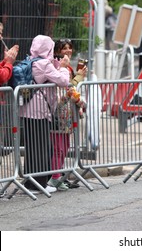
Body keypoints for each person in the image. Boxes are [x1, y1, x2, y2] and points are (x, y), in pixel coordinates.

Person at [20, 35, 70, 193]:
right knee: (42, 147)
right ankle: (39, 184)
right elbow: (63, 81)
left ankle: (30, 183)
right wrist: (63, 67)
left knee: (32, 148)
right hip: (40, 111)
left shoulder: (32, 60)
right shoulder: (43, 64)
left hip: (27, 110)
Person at [47, 39, 87, 191]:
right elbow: (66, 87)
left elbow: (70, 88)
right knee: (59, 147)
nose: (68, 51)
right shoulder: (57, 65)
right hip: (59, 112)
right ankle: (55, 178)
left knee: (65, 146)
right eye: (64, 48)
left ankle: (59, 177)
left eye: (70, 48)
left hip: (67, 112)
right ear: (57, 51)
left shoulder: (67, 66)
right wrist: (78, 79)